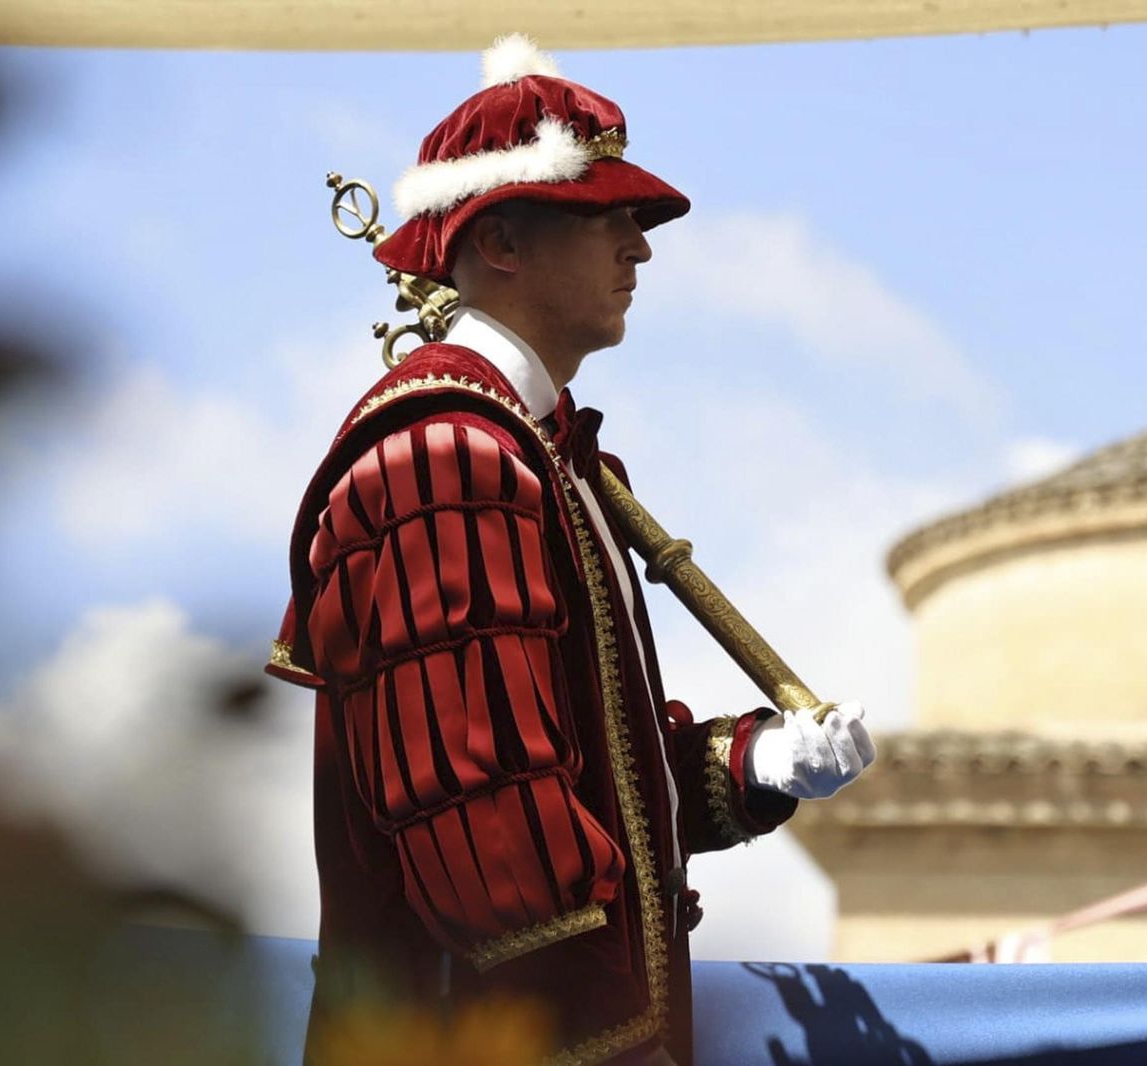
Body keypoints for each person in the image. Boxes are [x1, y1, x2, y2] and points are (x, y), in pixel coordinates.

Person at [266, 34, 876, 1066]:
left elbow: (592, 785)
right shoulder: (445, 456)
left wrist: (758, 757)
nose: (640, 249)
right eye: (612, 220)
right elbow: (488, 850)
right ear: (501, 241)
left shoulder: (543, 454)